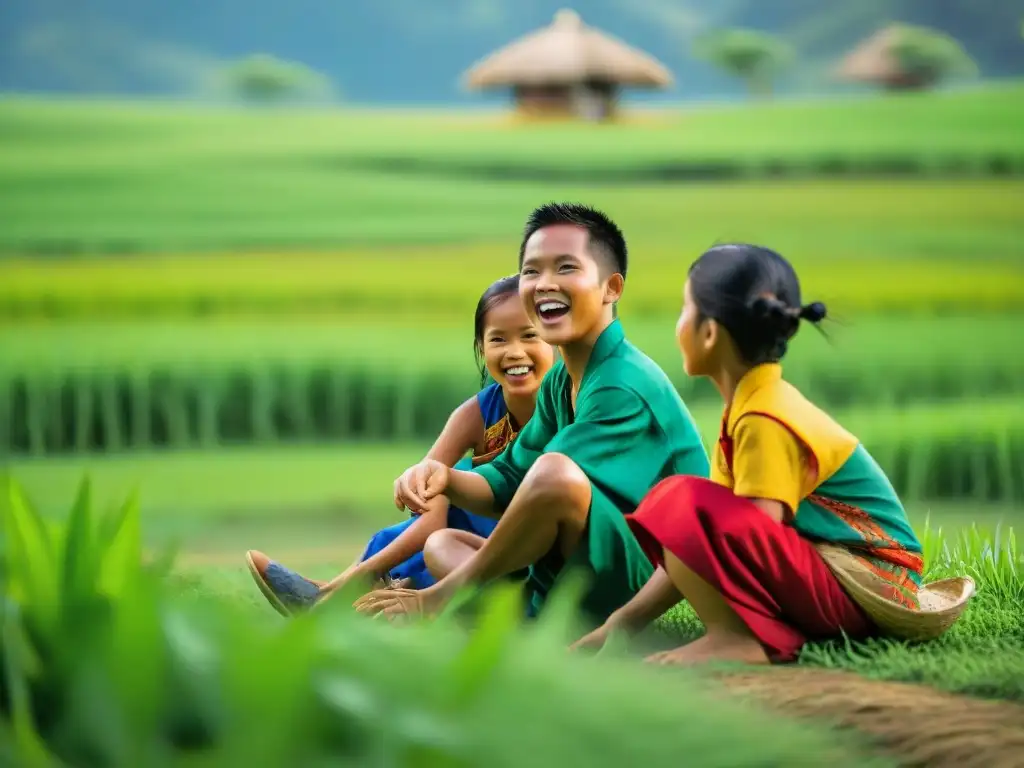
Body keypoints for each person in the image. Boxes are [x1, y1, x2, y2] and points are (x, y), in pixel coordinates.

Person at [572, 243, 973, 665]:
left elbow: (748, 538)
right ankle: (738, 631)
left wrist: (685, 513)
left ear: (709, 333)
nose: (679, 323)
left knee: (678, 499)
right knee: (683, 504)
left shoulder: (766, 418)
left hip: (867, 587)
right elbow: (710, 540)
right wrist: (622, 622)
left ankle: (737, 637)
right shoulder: (748, 407)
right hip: (842, 579)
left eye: (685, 308)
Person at [354, 203, 710, 626]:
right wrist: (443, 476)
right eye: (531, 271)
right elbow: (509, 477)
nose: (544, 285)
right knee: (441, 543)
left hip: (641, 571)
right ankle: (520, 618)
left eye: (565, 268)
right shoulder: (562, 381)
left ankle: (443, 600)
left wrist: (443, 588)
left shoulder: (621, 384)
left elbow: (548, 484)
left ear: (610, 288)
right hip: (576, 561)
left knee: (554, 474)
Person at [245, 274, 555, 617]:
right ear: (482, 347)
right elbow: (429, 498)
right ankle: (343, 591)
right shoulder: (476, 413)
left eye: (530, 335)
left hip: (534, 554)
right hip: (470, 546)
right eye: (498, 339)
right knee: (439, 495)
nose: (515, 352)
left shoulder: (572, 408)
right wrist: (418, 484)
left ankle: (346, 596)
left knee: (455, 496)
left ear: (556, 339)